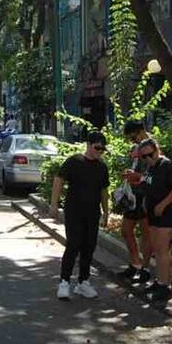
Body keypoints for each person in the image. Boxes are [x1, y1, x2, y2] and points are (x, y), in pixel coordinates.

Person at [49, 131, 111, 300]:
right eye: (97, 147)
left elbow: (104, 191)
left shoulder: (102, 167)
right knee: (73, 244)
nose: (99, 151)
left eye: (102, 149)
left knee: (89, 247)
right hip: (74, 210)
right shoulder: (74, 161)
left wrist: (106, 212)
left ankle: (83, 282)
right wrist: (54, 204)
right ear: (88, 145)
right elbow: (59, 180)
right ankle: (64, 282)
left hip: (92, 212)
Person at [139, 138, 172, 302]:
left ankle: (165, 286)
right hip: (152, 213)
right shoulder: (150, 168)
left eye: (150, 155)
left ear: (157, 151)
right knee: (157, 249)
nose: (147, 159)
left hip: (166, 214)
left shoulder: (167, 165)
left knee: (163, 249)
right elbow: (148, 187)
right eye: (143, 157)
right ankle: (159, 281)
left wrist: (163, 205)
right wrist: (145, 202)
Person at [116, 120, 154, 284]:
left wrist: (138, 177)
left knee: (146, 234)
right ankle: (135, 263)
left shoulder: (153, 148)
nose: (132, 141)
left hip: (146, 196)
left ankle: (144, 269)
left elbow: (156, 176)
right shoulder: (136, 149)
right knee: (126, 230)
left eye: (133, 138)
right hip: (132, 196)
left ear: (140, 132)